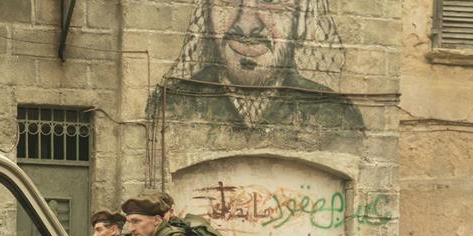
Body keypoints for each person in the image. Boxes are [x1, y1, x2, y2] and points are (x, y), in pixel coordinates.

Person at [146, 0, 364, 141]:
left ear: (301, 22)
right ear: (206, 13)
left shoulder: (337, 116)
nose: (247, 24)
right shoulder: (170, 106)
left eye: (271, 2)